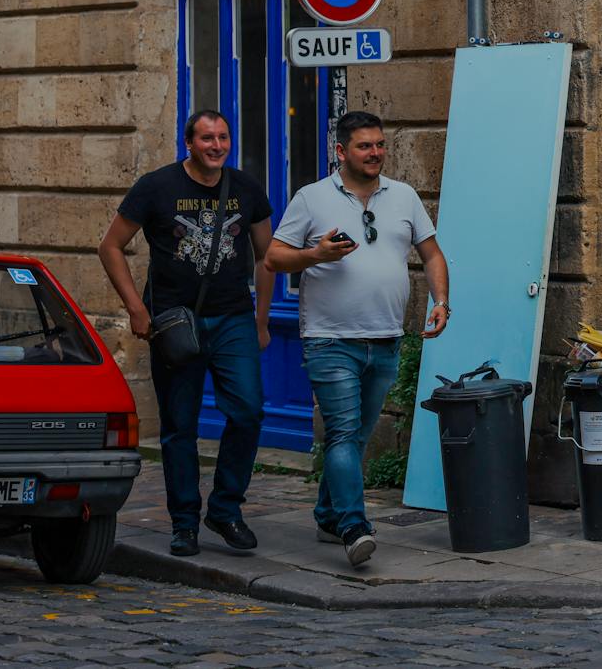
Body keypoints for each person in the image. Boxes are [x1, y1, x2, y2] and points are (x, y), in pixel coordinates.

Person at [264, 111, 451, 567]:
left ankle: (328, 513)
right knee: (345, 433)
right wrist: (315, 254)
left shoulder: (403, 196)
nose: (375, 153)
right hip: (330, 340)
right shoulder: (311, 198)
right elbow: (272, 257)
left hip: (385, 338)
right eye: (365, 146)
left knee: (355, 436)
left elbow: (432, 253)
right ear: (341, 151)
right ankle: (353, 526)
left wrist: (441, 301)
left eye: (380, 145)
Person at [98, 109, 274, 558]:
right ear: (189, 143)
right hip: (176, 322)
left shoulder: (247, 188)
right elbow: (111, 246)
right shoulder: (157, 187)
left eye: (223, 138)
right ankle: (183, 523)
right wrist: (136, 310)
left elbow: (266, 256)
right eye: (207, 138)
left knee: (249, 412)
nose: (216, 146)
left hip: (234, 319)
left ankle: (226, 508)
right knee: (180, 428)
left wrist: (261, 320)